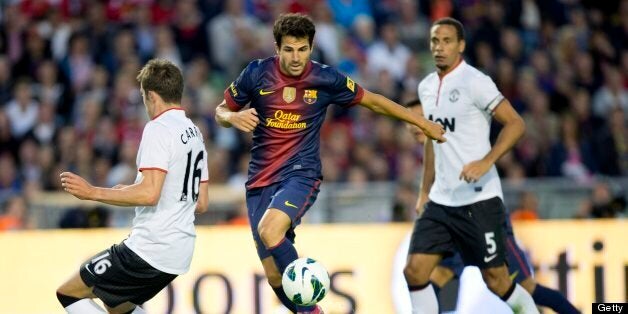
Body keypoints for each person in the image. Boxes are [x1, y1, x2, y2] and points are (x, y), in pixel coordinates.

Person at [215, 13, 446, 314]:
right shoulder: (256, 74)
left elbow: (374, 100)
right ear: (277, 48)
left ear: (311, 48)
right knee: (274, 275)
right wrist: (233, 117)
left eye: (302, 49)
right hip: (259, 181)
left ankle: (312, 307)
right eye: (288, 49)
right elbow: (220, 111)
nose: (296, 57)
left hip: (301, 174)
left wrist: (422, 122)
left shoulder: (325, 78)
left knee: (270, 231)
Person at [403, 17, 539, 313]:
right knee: (414, 271)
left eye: (447, 41)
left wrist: (486, 161)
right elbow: (431, 142)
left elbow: (516, 124)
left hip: (479, 200)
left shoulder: (475, 82)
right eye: (435, 41)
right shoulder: (426, 87)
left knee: (497, 281)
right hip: (441, 201)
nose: (439, 48)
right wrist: (424, 191)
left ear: (461, 45)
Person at [56, 59, 209, 314]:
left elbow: (150, 194)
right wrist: (128, 190)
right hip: (180, 252)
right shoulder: (194, 131)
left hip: (151, 248)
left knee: (69, 293)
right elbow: (201, 202)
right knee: (117, 305)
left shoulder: (158, 129)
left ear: (150, 95)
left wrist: (92, 192)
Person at [405, 100, 580, 313]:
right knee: (436, 275)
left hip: (486, 221)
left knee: (523, 287)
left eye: (417, 118)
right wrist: (425, 194)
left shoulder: (454, 139)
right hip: (454, 224)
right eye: (408, 120)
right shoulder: (431, 146)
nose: (412, 125)